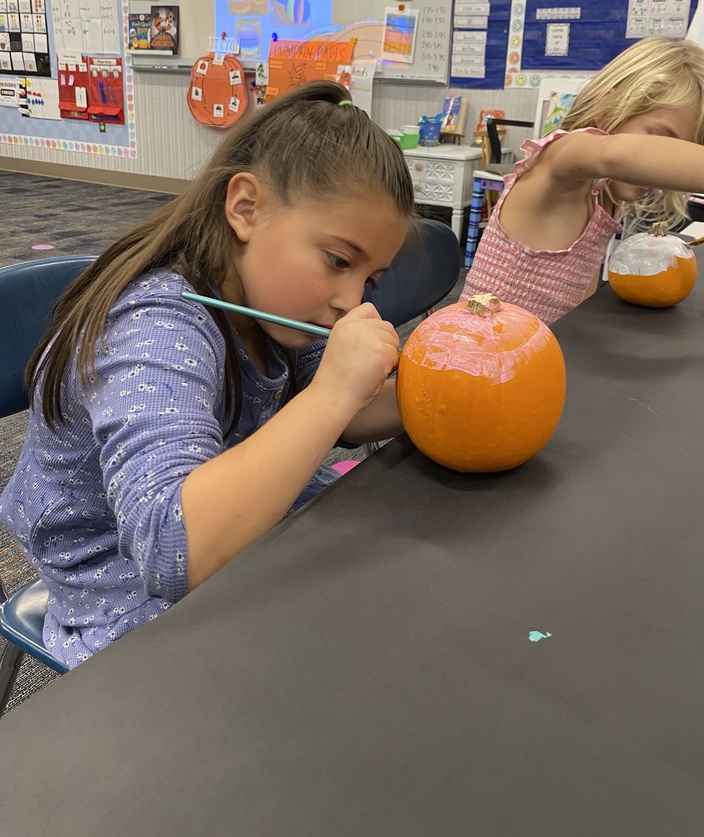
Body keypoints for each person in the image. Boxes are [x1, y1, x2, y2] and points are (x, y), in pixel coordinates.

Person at [0, 82, 415, 668]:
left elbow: (348, 419)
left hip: (227, 529)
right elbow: (175, 549)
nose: (353, 300)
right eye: (339, 261)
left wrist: (436, 397)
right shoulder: (153, 323)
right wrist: (335, 390)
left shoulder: (283, 307)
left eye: (369, 279)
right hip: (120, 574)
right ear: (246, 208)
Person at [462, 37, 704, 324]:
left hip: (540, 356)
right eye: (663, 142)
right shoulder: (559, 162)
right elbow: (617, 154)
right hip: (477, 363)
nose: (666, 164)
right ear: (606, 110)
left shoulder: (603, 192)